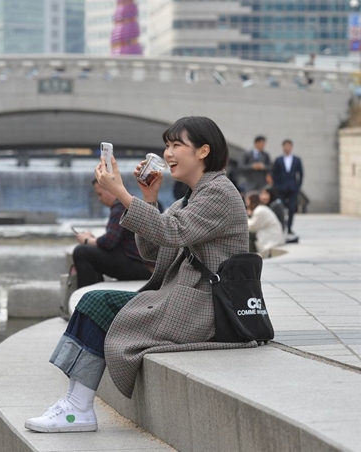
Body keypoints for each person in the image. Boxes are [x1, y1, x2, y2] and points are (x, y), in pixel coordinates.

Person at [24, 117, 257, 434]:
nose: (168, 153)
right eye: (167, 145)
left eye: (177, 145)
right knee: (94, 300)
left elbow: (171, 232)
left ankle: (76, 409)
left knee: (98, 303)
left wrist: (120, 192)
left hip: (207, 308)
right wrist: (148, 197)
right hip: (185, 299)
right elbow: (153, 250)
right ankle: (75, 407)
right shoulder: (191, 196)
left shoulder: (218, 193)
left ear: (203, 151)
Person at [72, 180, 152, 289]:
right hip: (142, 263)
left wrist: (87, 240)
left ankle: (88, 296)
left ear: (110, 190)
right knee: (91, 253)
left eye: (100, 194)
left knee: (81, 252)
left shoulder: (121, 205)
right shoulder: (129, 201)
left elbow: (109, 242)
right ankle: (94, 292)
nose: (99, 199)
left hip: (141, 266)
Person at [271, 139, 303, 237]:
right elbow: (274, 174)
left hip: (292, 188)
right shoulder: (278, 159)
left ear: (291, 147)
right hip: (281, 188)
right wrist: (276, 185)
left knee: (292, 209)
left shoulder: (297, 160)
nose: (287, 148)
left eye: (289, 146)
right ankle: (281, 227)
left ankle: (289, 228)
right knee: (280, 208)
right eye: (285, 146)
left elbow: (301, 174)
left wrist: (298, 186)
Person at [245, 191, 285, 258]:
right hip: (272, 236)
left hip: (271, 238)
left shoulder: (260, 211)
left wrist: (245, 218)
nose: (246, 204)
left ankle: (249, 255)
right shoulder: (261, 209)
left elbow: (252, 227)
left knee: (247, 235)